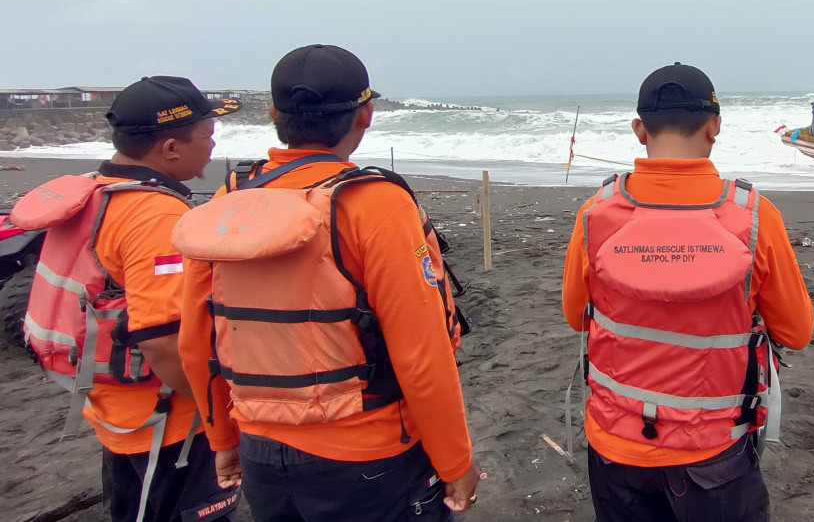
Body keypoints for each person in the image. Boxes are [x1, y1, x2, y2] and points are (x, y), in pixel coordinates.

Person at [174, 44, 481, 521]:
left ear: (274, 113)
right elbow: (422, 353)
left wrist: (222, 437)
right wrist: (455, 461)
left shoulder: (229, 201)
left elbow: (196, 337)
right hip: (368, 454)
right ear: (366, 116)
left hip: (259, 446)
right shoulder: (375, 203)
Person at [561, 62, 814, 522]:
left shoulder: (594, 214)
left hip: (615, 448)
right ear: (714, 126)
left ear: (640, 130)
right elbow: (795, 332)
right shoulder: (754, 218)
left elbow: (576, 315)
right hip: (714, 454)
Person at [12, 76, 241, 522]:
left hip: (112, 411)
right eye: (207, 137)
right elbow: (163, 340)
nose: (212, 148)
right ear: (171, 148)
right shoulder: (155, 214)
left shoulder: (95, 193)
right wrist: (221, 419)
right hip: (169, 424)